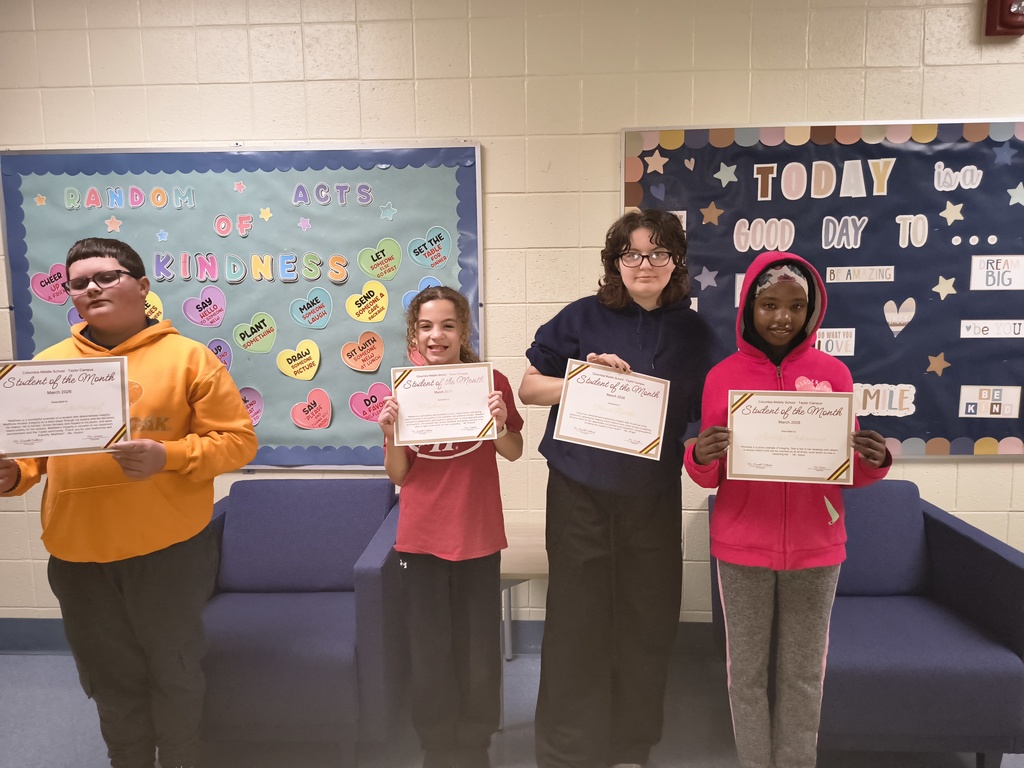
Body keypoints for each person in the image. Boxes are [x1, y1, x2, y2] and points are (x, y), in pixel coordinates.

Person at [0, 237, 258, 768]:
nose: (91, 288)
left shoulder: (190, 359)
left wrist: (169, 456)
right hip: (78, 555)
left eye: (106, 276)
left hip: (168, 552)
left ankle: (181, 760)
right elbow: (30, 460)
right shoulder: (47, 367)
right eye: (78, 283)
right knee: (108, 678)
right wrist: (12, 475)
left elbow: (238, 442)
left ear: (141, 286)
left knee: (175, 670)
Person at [519, 209, 716, 768]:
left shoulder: (697, 333)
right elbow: (529, 388)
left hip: (652, 497)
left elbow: (708, 415)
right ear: (615, 262)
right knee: (576, 623)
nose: (644, 264)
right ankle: (568, 751)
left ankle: (632, 747)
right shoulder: (583, 316)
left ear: (676, 261)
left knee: (646, 622)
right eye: (632, 254)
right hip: (578, 492)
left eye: (658, 253)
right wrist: (581, 380)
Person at [684, 251, 891, 768]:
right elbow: (709, 471)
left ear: (812, 310)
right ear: (749, 308)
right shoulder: (722, 376)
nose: (782, 317)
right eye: (770, 304)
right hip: (742, 546)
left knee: (803, 674)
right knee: (746, 673)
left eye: (796, 306)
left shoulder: (833, 373)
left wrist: (873, 461)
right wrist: (699, 456)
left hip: (817, 547)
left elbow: (846, 469)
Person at [377, 285, 524, 768]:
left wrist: (499, 425)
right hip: (420, 537)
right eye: (425, 326)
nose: (435, 335)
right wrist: (390, 433)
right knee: (429, 648)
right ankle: (437, 745)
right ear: (414, 335)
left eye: (447, 325)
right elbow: (400, 476)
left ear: (463, 331)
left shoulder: (490, 382)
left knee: (479, 647)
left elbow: (514, 452)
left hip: (477, 533)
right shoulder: (405, 388)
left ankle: (476, 742)